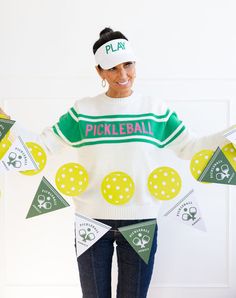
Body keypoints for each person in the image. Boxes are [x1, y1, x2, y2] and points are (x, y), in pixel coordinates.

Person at [0, 27, 232, 298]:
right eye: (112, 68)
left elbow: (189, 147)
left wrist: (230, 135)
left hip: (140, 222)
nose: (123, 75)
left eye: (128, 65)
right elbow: (42, 146)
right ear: (99, 71)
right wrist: (5, 123)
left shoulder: (155, 110)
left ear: (135, 63)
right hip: (91, 222)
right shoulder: (82, 112)